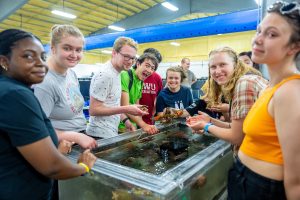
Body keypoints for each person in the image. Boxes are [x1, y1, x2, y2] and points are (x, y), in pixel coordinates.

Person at [0, 29, 97, 200]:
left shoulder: (15, 89)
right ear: (4, 61)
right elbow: (51, 166)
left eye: (41, 57)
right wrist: (84, 167)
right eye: (28, 56)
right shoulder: (15, 94)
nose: (41, 64)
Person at [232, 2, 299, 199]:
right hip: (244, 179)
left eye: (272, 34)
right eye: (259, 31)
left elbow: (296, 180)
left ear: (295, 46)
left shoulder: (291, 92)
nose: (258, 39)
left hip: (262, 189)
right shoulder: (271, 86)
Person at [186, 46, 267, 147]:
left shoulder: (245, 83)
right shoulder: (240, 83)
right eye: (213, 67)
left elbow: (238, 137)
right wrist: (210, 120)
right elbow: (235, 127)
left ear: (236, 65)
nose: (217, 71)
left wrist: (206, 126)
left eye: (222, 64)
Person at [34, 25, 97, 149]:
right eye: (67, 48)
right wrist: (74, 136)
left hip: (79, 138)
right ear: (53, 48)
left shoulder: (71, 73)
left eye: (79, 50)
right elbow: (36, 129)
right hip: (59, 145)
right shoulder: (44, 82)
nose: (74, 55)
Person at [87, 37, 148, 139]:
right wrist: (126, 108)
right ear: (114, 53)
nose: (130, 62)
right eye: (126, 56)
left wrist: (126, 121)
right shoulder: (106, 74)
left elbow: (111, 104)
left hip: (110, 132)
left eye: (133, 58)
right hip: (99, 135)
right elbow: (94, 109)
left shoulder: (118, 73)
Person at [119, 53, 159, 134]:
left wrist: (140, 124)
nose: (149, 70)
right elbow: (125, 106)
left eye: (152, 68)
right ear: (138, 64)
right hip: (120, 125)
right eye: (147, 66)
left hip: (132, 126)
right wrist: (143, 125)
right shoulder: (125, 75)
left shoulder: (140, 82)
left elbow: (137, 108)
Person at [139, 48, 163, 125]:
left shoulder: (157, 78)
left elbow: (158, 96)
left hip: (149, 118)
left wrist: (154, 110)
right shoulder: (135, 76)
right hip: (132, 117)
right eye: (148, 65)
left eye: (154, 66)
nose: (151, 69)